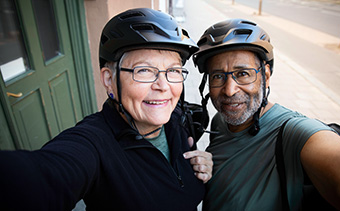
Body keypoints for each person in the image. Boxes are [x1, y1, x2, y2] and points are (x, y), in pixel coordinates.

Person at [0, 8, 212, 210]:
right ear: (109, 80)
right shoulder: (95, 144)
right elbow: (44, 178)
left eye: (173, 70)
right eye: (145, 70)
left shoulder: (178, 119)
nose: (164, 86)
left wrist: (202, 164)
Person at [193, 19, 340, 210]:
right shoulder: (220, 121)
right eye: (218, 76)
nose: (229, 90)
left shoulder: (295, 132)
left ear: (266, 76)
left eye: (243, 74)